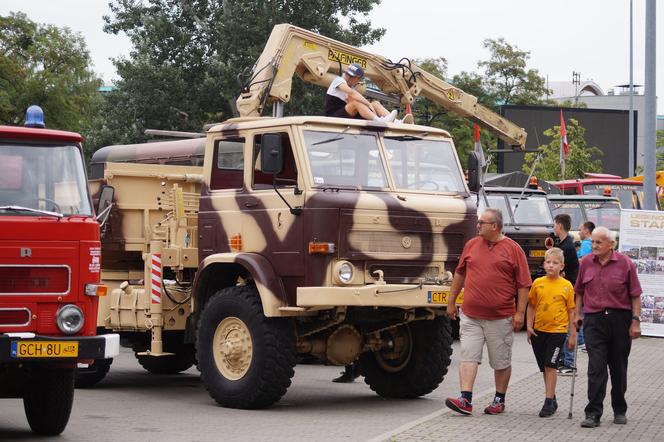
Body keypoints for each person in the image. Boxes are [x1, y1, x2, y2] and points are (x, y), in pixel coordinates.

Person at [445, 208, 531, 415]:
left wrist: (520, 313)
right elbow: (460, 274)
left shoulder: (513, 249)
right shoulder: (471, 245)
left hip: (500, 317)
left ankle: (499, 400)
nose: (477, 225)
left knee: (500, 360)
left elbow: (523, 285)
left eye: (481, 222)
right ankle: (465, 399)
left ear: (494, 226)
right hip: (471, 315)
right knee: (468, 355)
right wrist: (451, 301)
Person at [574, 226, 642, 428]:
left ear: (610, 245)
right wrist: (577, 314)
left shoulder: (625, 263)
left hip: (620, 320)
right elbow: (579, 291)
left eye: (598, 242)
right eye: (593, 242)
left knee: (618, 367)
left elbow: (635, 294)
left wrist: (635, 321)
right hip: (594, 321)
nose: (593, 246)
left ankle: (619, 409)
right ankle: (593, 412)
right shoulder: (586, 262)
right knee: (596, 367)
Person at [526, 247, 576, 417]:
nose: (551, 266)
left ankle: (547, 401)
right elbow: (531, 305)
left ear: (562, 266)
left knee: (551, 365)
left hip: (558, 331)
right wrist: (529, 325)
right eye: (548, 262)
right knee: (544, 367)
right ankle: (552, 397)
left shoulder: (567, 286)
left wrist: (573, 335)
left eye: (555, 263)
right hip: (539, 331)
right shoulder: (538, 283)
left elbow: (571, 311)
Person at [325, 63, 412, 123]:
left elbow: (351, 100)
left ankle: (397, 122)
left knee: (376, 103)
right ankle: (379, 121)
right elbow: (352, 94)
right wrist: (368, 105)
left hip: (346, 114)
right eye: (349, 75)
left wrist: (371, 106)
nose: (349, 78)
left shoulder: (349, 85)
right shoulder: (338, 80)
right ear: (357, 78)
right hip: (333, 116)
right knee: (357, 102)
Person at [553, 213, 580, 374]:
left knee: (569, 327)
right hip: (566, 289)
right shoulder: (564, 243)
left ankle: (568, 363)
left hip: (570, 290)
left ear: (560, 226)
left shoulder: (567, 247)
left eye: (554, 225)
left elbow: (565, 270)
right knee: (564, 325)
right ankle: (563, 359)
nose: (553, 227)